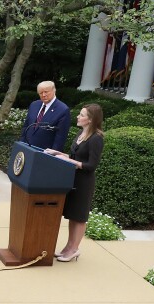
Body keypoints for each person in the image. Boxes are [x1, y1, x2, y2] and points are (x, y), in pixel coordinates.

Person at [44, 104, 105, 262]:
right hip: (73, 179)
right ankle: (68, 247)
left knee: (79, 217)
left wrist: (68, 161)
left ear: (90, 120)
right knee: (72, 215)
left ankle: (74, 249)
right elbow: (74, 157)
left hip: (84, 182)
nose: (78, 116)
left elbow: (91, 166)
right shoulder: (81, 133)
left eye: (82, 114)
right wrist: (58, 153)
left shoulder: (96, 138)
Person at [20, 80, 71, 151]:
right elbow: (26, 126)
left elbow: (60, 137)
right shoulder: (34, 105)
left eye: (46, 92)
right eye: (41, 93)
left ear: (54, 91)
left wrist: (53, 154)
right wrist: (21, 144)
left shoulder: (63, 110)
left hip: (44, 152)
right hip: (27, 148)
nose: (43, 95)